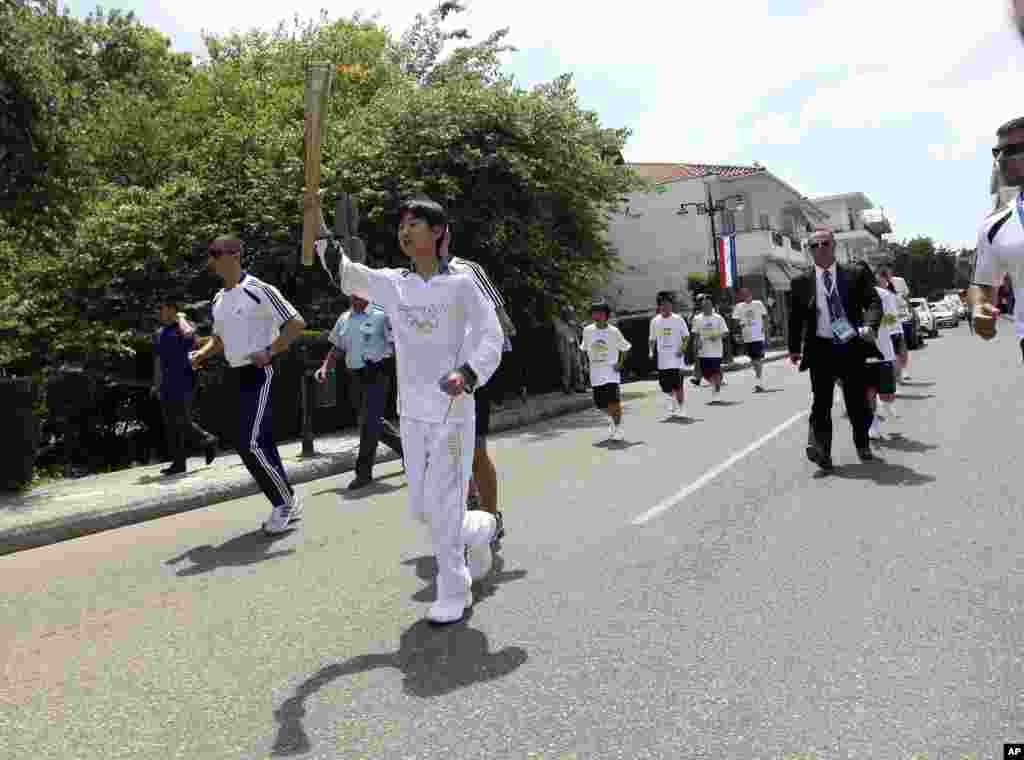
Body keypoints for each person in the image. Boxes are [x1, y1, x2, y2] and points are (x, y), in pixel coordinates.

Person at [327, 195, 504, 625]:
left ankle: (453, 589)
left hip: (454, 410)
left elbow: (491, 336)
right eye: (402, 225)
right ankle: (483, 527)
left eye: (415, 224)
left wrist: (467, 372)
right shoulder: (395, 283)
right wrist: (317, 226)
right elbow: (347, 275)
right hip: (412, 411)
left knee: (443, 504)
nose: (405, 232)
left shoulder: (462, 284)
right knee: (425, 509)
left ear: (438, 232)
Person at [188, 236, 306, 535]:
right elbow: (220, 339)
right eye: (210, 255)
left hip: (261, 371)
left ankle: (284, 503)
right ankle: (287, 500)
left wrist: (270, 350)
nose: (212, 260)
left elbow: (296, 323)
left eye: (217, 254)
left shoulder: (259, 290)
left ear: (235, 255)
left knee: (248, 442)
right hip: (235, 374)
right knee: (260, 440)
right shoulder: (219, 299)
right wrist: (202, 353)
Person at [788, 228, 882, 471]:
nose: (820, 248)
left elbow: (872, 301)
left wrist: (871, 325)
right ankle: (822, 451)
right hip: (820, 347)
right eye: (814, 245)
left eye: (825, 243)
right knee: (821, 403)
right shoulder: (800, 281)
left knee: (856, 400)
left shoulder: (855, 273)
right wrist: (793, 347)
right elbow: (795, 317)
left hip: (850, 345)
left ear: (834, 245)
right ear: (809, 250)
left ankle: (862, 443)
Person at [445, 242, 513, 547]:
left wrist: (484, 360)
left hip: (470, 376)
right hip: (432, 382)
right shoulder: (411, 279)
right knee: (446, 453)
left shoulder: (468, 269)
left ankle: (490, 514)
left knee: (473, 450)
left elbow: (501, 320)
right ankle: (470, 502)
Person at [316, 295, 404, 490]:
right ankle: (411, 453)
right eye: (351, 294)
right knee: (370, 421)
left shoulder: (382, 315)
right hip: (355, 377)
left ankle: (363, 473)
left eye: (358, 293)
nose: (353, 298)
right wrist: (325, 368)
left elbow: (399, 344)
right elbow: (338, 348)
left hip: (378, 373)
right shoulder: (344, 318)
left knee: (369, 423)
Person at [972, 116, 1024, 357]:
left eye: (1012, 150)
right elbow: (984, 285)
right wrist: (979, 306)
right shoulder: (994, 226)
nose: (1001, 159)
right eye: (997, 152)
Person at [151, 298, 218, 475]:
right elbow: (158, 360)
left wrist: (180, 318)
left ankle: (208, 439)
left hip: (185, 381)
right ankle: (179, 463)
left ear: (172, 309)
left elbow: (192, 338)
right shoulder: (160, 333)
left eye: (163, 308)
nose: (160, 312)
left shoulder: (185, 327)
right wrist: (156, 383)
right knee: (171, 424)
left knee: (182, 420)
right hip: (166, 383)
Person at [580, 301, 631, 440]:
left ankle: (618, 428)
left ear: (606, 315)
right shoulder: (587, 330)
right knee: (600, 404)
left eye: (600, 313)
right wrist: (584, 364)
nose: (597, 315)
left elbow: (625, 348)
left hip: (610, 373)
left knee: (614, 402)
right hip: (595, 374)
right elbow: (584, 349)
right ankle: (612, 420)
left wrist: (620, 364)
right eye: (594, 313)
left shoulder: (613, 331)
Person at [865, 274, 900, 440]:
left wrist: (873, 325)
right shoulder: (847, 293)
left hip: (883, 352)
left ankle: (885, 405)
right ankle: (873, 424)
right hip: (861, 353)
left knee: (887, 394)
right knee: (868, 392)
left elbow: (892, 319)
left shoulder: (884, 295)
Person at [648, 292, 689, 416]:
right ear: (659, 307)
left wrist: (682, 349)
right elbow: (652, 339)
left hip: (676, 359)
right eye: (663, 305)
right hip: (663, 360)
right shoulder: (655, 321)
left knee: (678, 385)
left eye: (668, 305)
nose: (666, 307)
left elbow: (686, 336)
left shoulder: (678, 319)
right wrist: (650, 351)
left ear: (671, 306)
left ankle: (681, 408)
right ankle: (671, 399)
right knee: (665, 386)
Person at [691, 296, 729, 401]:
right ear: (702, 307)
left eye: (708, 305)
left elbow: (725, 333)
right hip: (703, 351)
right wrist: (696, 345)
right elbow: (695, 334)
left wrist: (717, 336)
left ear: (712, 306)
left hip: (716, 351)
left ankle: (716, 394)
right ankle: (716, 384)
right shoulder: (697, 318)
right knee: (706, 374)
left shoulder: (718, 318)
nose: (706, 307)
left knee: (716, 373)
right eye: (704, 305)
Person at [731, 287, 769, 392]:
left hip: (758, 336)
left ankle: (759, 383)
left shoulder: (758, 304)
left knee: (757, 359)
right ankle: (759, 381)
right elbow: (735, 321)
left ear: (750, 293)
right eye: (742, 294)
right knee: (753, 360)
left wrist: (765, 328)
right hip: (747, 338)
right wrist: (738, 330)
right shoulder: (739, 306)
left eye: (746, 293)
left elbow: (765, 317)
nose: (744, 295)